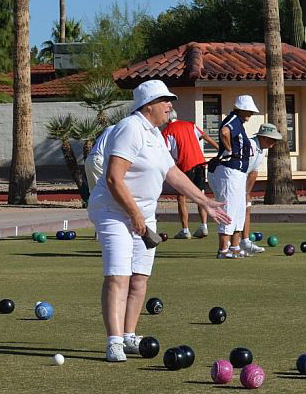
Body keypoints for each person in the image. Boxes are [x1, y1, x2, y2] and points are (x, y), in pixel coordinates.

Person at [87, 80, 229, 362]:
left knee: (139, 278)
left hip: (143, 214)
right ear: (148, 104)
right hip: (114, 212)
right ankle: (114, 341)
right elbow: (114, 178)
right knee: (118, 276)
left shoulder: (154, 134)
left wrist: (204, 201)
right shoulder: (130, 128)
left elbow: (172, 172)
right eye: (165, 100)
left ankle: (129, 336)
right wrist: (135, 215)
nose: (170, 105)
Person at [207, 95, 259, 259]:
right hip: (229, 170)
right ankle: (223, 250)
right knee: (229, 208)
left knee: (238, 210)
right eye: (248, 111)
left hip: (238, 172)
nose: (250, 115)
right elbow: (224, 132)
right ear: (240, 109)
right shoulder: (234, 120)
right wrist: (229, 150)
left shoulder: (239, 122)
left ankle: (235, 247)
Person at [162, 109, 219, 239]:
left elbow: (164, 152)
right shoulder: (190, 124)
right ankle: (204, 226)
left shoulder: (167, 132)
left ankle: (185, 230)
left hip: (185, 166)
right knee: (200, 195)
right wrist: (220, 150)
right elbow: (205, 136)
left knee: (181, 198)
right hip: (200, 163)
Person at [239, 123, 283, 255]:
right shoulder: (250, 145)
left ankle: (245, 242)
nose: (274, 142)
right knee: (234, 211)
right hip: (230, 177)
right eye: (271, 139)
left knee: (247, 206)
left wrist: (246, 193)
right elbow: (238, 167)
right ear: (263, 137)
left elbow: (254, 172)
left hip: (241, 179)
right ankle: (231, 245)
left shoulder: (263, 149)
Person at [85, 124, 115, 192]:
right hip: (99, 160)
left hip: (90, 159)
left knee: (94, 192)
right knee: (106, 190)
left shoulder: (109, 129)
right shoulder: (121, 130)